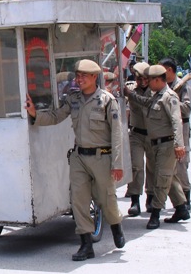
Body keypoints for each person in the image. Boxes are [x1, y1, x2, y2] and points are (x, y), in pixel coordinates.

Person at [25, 59, 125, 261]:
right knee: (78, 200)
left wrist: (117, 164)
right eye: (77, 76)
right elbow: (56, 116)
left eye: (83, 76)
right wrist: (35, 114)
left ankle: (116, 225)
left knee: (106, 198)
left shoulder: (106, 100)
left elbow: (117, 134)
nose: (79, 80)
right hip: (80, 156)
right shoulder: (73, 99)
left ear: (94, 78)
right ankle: (86, 244)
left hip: (102, 156)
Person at [125, 65, 190, 229]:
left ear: (156, 80)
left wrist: (179, 145)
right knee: (170, 178)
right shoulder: (157, 96)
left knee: (161, 178)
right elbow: (145, 102)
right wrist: (130, 94)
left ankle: (155, 213)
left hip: (166, 145)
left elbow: (177, 122)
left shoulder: (169, 97)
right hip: (157, 143)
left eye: (149, 80)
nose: (146, 83)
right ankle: (181, 208)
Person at [160, 58, 191, 210]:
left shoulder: (183, 86)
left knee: (181, 163)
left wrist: (171, 100)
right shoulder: (164, 86)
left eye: (162, 70)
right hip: (166, 127)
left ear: (170, 70)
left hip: (182, 126)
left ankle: (186, 197)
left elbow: (186, 109)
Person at [125, 62, 155, 216]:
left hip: (152, 134)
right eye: (139, 78)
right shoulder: (130, 88)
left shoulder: (155, 91)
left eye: (145, 79)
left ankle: (150, 198)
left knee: (152, 168)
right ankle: (135, 201)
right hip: (136, 134)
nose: (142, 82)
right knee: (136, 167)